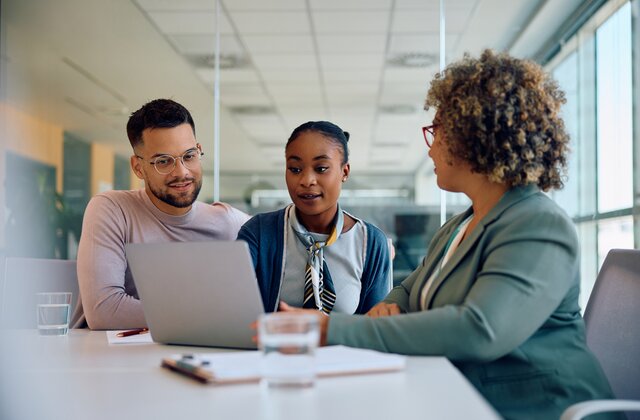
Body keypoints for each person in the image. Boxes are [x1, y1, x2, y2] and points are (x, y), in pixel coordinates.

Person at [280, 51, 616, 419]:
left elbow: (479, 329)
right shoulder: (459, 226)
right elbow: (409, 290)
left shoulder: (538, 224)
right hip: (458, 396)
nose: (431, 147)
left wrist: (334, 329)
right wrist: (389, 307)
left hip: (536, 408)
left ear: (473, 136)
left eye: (436, 131)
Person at [75, 99, 248, 330]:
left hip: (190, 351)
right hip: (106, 356)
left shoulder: (228, 222)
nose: (182, 172)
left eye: (189, 156)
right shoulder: (112, 209)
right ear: (138, 167)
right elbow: (105, 311)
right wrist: (214, 311)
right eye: (163, 161)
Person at [238, 121, 391, 315]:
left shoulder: (371, 243)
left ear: (344, 172)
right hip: (274, 344)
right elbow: (233, 308)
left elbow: (375, 328)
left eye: (321, 169)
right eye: (295, 169)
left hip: (342, 345)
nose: (306, 180)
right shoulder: (259, 232)